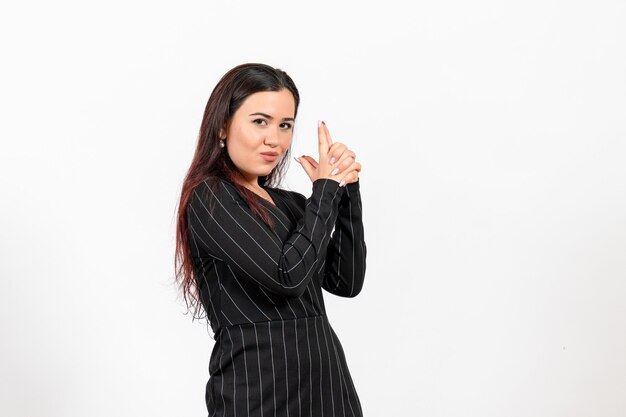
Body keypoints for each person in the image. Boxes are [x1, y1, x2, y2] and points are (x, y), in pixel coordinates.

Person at [175, 63, 367, 417]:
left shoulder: (292, 204)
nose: (274, 139)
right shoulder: (211, 198)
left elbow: (346, 281)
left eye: (285, 125)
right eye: (259, 121)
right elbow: (287, 277)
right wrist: (324, 193)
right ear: (222, 126)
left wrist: (346, 195)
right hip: (260, 393)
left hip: (327, 389)